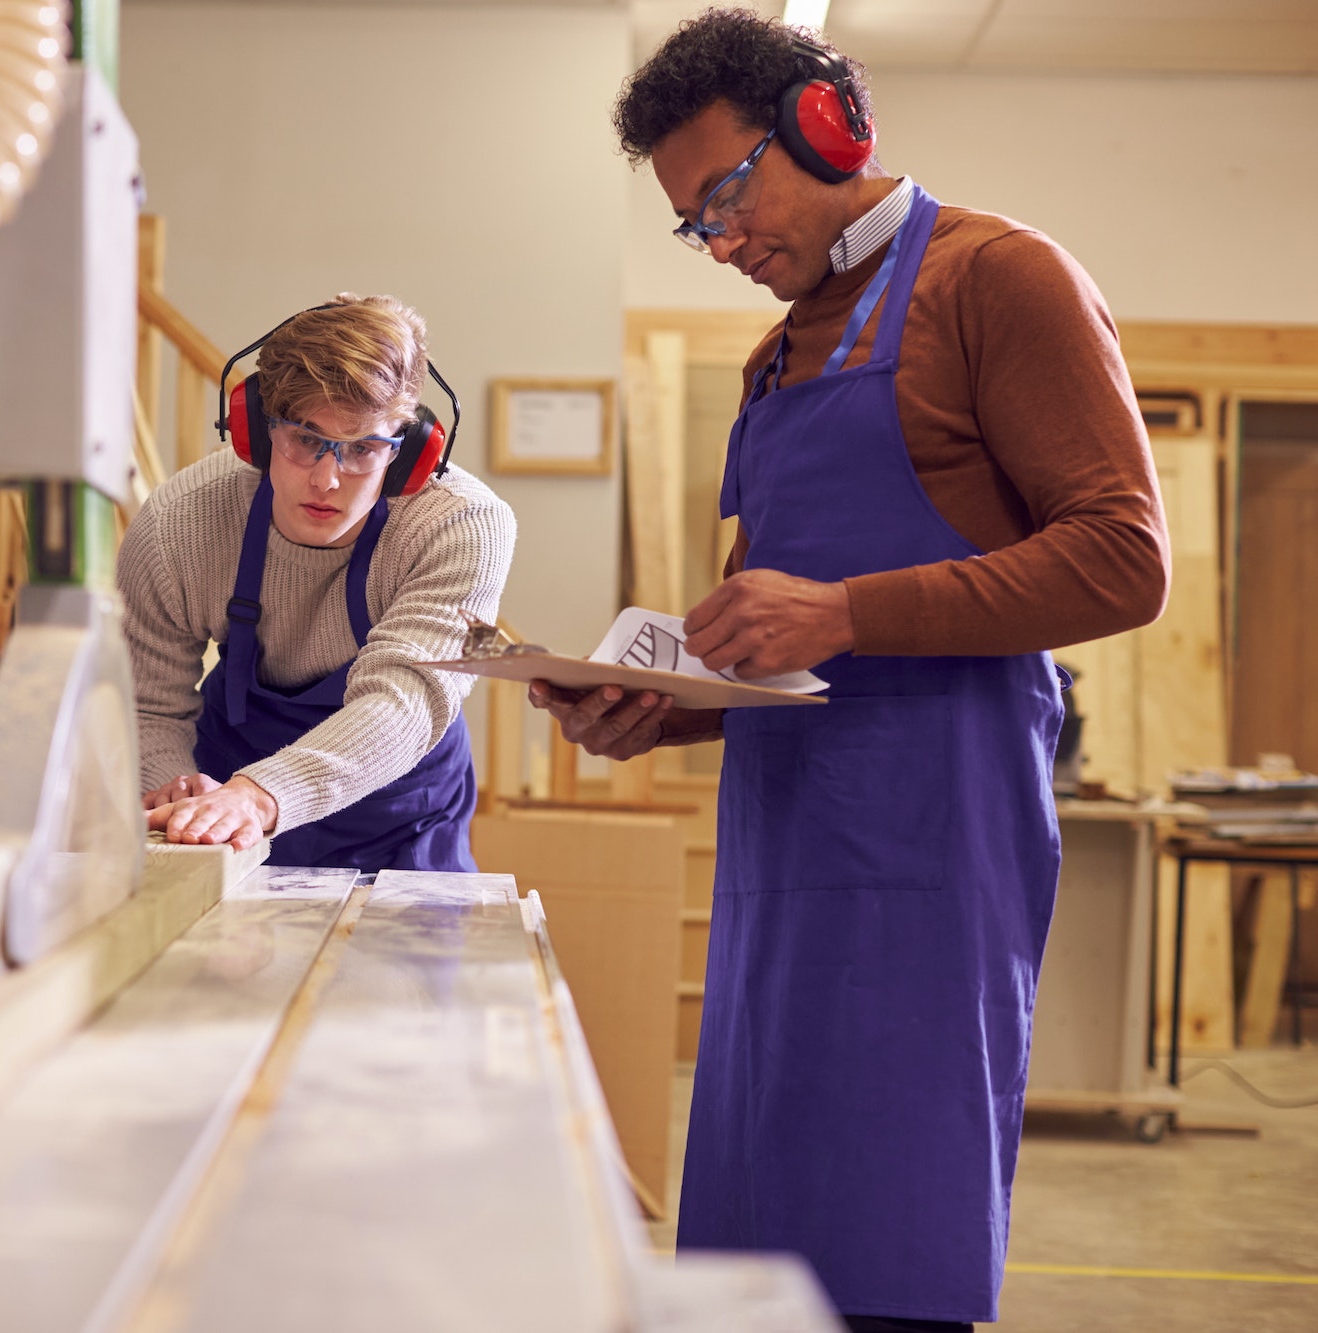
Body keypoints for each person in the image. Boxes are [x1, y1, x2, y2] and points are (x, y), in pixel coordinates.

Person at [533, 12, 1169, 1331]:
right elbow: (792, 646)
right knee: (761, 1258)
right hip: (787, 845)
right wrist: (666, 711)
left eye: (726, 193)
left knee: (889, 1239)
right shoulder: (777, 356)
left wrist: (841, 610)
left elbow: (1123, 560)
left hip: (933, 844)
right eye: (690, 222)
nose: (719, 239)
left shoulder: (1002, 279)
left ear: (827, 127)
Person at [120, 294, 514, 871]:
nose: (328, 479)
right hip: (228, 807)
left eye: (362, 448)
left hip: (401, 816)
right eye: (305, 438)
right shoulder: (180, 524)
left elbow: (404, 701)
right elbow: (145, 704)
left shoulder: (461, 525)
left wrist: (263, 796)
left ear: (409, 454)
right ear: (256, 431)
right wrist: (173, 790)